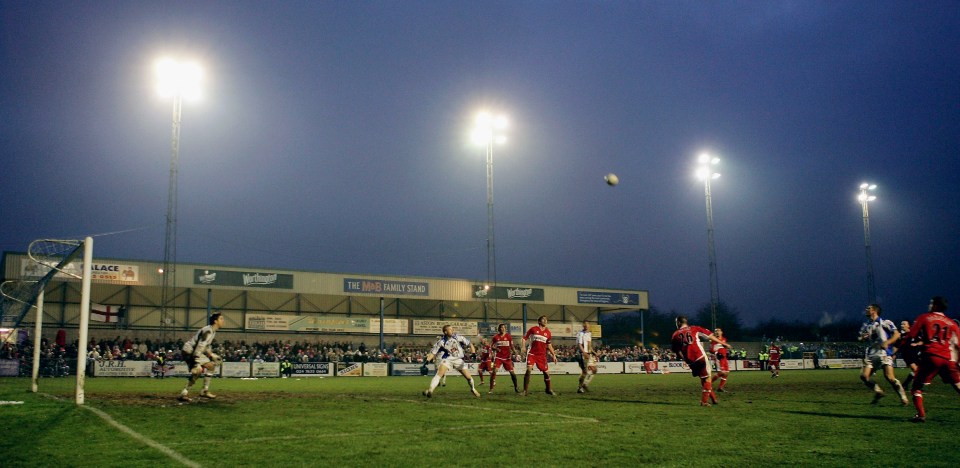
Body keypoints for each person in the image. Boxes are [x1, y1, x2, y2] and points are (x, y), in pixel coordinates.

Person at [903, 296, 960, 422]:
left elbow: (911, 335)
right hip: (948, 359)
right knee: (958, 386)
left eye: (931, 303)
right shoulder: (952, 323)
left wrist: (899, 348)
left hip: (931, 357)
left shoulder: (924, 317)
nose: (929, 305)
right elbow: (958, 345)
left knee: (916, 388)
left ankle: (921, 415)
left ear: (935, 305)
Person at [670, 315, 731, 406]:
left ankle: (714, 399)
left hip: (690, 361)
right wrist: (723, 343)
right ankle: (704, 402)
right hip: (700, 357)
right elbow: (710, 336)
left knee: (703, 378)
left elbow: (677, 352)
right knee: (707, 379)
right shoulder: (695, 328)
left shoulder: (675, 335)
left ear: (679, 323)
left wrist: (685, 359)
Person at [857, 304, 909, 405]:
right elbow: (861, 338)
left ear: (874, 311)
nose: (866, 309)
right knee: (864, 376)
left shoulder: (885, 322)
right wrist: (862, 338)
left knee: (889, 377)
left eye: (868, 308)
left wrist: (887, 342)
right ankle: (878, 392)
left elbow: (897, 334)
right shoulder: (866, 325)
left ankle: (903, 397)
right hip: (871, 354)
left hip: (883, 353)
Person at [422, 325, 481, 398]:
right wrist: (427, 360)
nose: (452, 330)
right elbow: (433, 352)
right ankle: (430, 390)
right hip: (447, 359)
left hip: (458, 360)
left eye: (452, 329)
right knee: (438, 375)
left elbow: (470, 344)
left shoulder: (458, 337)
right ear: (445, 332)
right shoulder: (441, 342)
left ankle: (473, 389)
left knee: (469, 378)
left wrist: (473, 353)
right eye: (450, 329)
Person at [178, 313, 224, 402]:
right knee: (197, 371)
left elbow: (205, 346)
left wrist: (211, 355)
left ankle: (204, 391)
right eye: (221, 319)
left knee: (211, 366)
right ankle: (184, 393)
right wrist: (196, 362)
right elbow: (199, 346)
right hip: (189, 351)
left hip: (194, 351)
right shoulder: (208, 331)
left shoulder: (212, 331)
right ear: (215, 321)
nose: (223, 321)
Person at [521, 315, 559, 396]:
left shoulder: (548, 333)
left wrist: (554, 355)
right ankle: (525, 391)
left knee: (546, 373)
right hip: (532, 353)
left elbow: (549, 345)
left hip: (542, 356)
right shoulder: (533, 329)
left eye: (546, 319)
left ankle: (548, 389)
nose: (545, 321)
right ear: (539, 321)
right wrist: (523, 347)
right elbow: (524, 338)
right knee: (528, 370)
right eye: (543, 319)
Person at [489, 323, 520, 394]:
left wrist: (515, 352)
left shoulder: (508, 336)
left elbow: (512, 346)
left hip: (507, 358)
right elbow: (491, 346)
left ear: (505, 329)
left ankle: (516, 388)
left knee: (512, 373)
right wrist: (496, 349)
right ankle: (491, 389)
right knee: (494, 372)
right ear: (499, 329)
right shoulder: (495, 337)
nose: (502, 329)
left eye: (503, 327)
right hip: (498, 357)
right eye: (501, 327)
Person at [893, 320, 920, 389]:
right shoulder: (900, 336)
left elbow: (922, 341)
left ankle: (905, 384)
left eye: (904, 324)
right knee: (916, 370)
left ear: (908, 325)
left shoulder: (914, 333)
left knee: (919, 371)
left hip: (917, 355)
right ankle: (916, 388)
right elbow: (896, 346)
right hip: (907, 355)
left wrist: (916, 344)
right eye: (901, 324)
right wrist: (892, 354)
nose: (902, 325)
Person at [576, 320, 597, 393]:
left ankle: (585, 384)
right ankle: (580, 387)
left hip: (588, 354)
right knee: (584, 372)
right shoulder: (580, 333)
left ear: (589, 325)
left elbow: (589, 346)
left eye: (587, 324)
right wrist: (584, 353)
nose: (586, 325)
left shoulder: (589, 334)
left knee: (594, 370)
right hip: (581, 354)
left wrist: (594, 353)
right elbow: (579, 345)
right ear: (583, 325)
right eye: (585, 324)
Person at [710, 328, 730, 392]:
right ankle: (707, 384)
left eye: (718, 331)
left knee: (726, 373)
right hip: (719, 357)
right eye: (716, 331)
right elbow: (711, 350)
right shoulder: (713, 340)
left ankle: (720, 388)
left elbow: (724, 347)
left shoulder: (724, 339)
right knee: (721, 372)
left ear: (721, 332)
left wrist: (726, 348)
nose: (717, 332)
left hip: (724, 357)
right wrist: (716, 353)